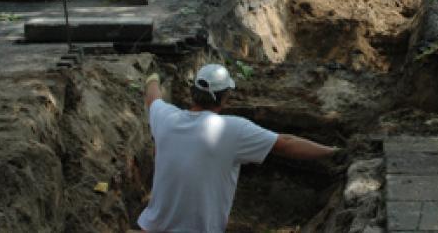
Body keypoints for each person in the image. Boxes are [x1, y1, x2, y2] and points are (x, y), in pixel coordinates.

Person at [137, 64, 338, 232]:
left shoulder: (166, 118)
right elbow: (285, 144)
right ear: (225, 98)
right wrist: (332, 152)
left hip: (152, 227)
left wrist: (152, 77)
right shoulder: (233, 129)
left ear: (193, 92)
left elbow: (153, 97)